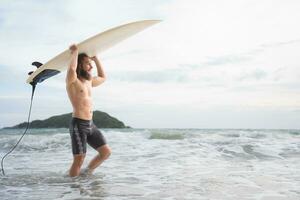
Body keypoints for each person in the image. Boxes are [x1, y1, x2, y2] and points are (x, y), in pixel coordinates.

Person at [66, 44, 111, 177]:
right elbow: (71, 69)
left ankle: (87, 172)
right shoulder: (72, 81)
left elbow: (103, 77)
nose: (91, 67)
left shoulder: (89, 81)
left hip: (90, 124)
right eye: (88, 63)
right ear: (80, 65)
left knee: (106, 152)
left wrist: (96, 59)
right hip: (78, 124)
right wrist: (75, 52)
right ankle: (73, 186)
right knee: (79, 159)